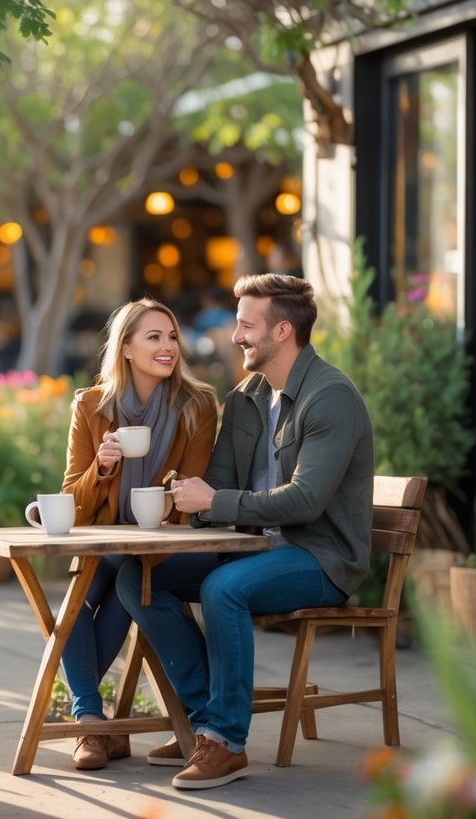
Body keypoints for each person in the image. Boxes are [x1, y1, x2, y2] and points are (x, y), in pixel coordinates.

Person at [114, 274, 374, 790]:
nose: (235, 336)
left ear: (282, 331)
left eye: (246, 325)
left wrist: (213, 500)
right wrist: (175, 487)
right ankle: (202, 721)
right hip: (255, 547)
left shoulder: (331, 397)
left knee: (223, 588)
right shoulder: (248, 396)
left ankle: (227, 743)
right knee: (137, 576)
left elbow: (305, 501)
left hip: (321, 557)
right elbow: (222, 487)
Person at [58, 298, 218, 771]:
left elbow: (191, 492)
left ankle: (91, 724)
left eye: (172, 337)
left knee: (119, 579)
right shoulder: (90, 406)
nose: (168, 347)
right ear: (125, 348)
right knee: (82, 590)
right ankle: (91, 719)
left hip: (164, 546)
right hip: (106, 543)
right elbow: (73, 500)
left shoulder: (197, 405)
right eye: (154, 337)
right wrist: (102, 467)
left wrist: (166, 510)